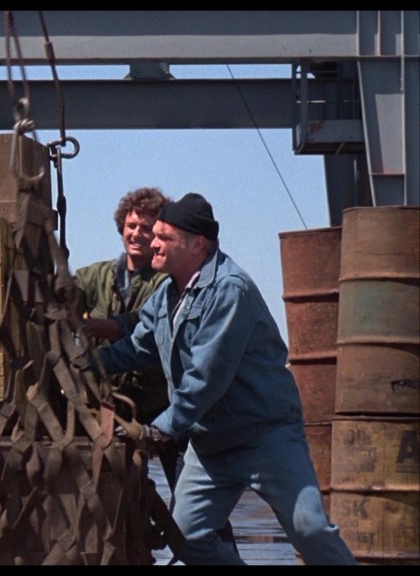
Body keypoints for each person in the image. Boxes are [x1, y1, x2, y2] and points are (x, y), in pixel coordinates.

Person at [96, 192, 356, 565]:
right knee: (185, 538)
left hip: (266, 438)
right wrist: (86, 364)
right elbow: (136, 349)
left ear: (197, 244)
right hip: (211, 444)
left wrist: (161, 429)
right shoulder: (167, 295)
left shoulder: (230, 291)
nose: (152, 242)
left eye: (163, 236)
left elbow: (207, 377)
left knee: (310, 529)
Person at [74, 187, 238, 559]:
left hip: (163, 407)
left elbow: (136, 330)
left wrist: (99, 326)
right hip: (115, 408)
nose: (138, 234)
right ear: (121, 227)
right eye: (132, 226)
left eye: (149, 229)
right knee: (113, 492)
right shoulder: (97, 275)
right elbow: (66, 294)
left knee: (193, 496)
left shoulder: (168, 281)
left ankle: (212, 548)